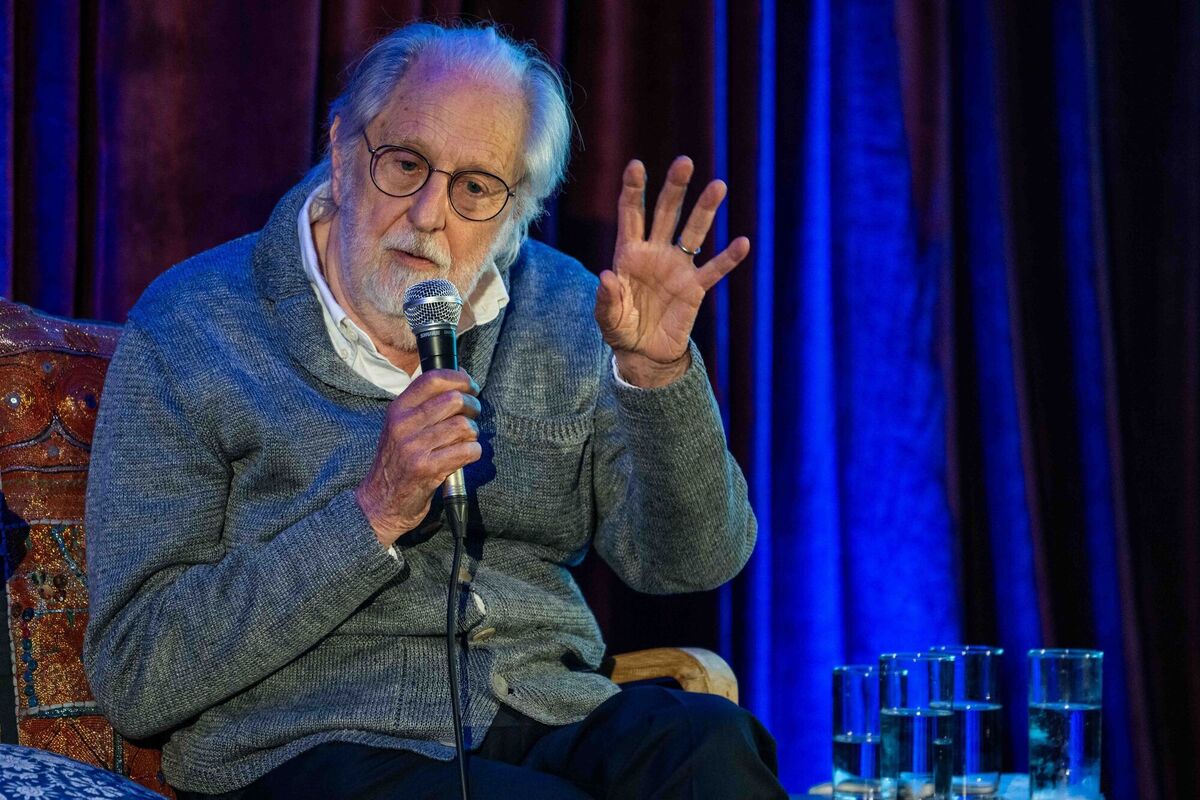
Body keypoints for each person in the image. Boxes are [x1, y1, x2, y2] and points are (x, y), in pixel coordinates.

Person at [82, 22, 785, 800]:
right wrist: (372, 512)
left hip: (539, 706)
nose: (427, 214)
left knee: (712, 750)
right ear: (344, 151)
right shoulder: (194, 324)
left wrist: (657, 377)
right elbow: (136, 668)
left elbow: (691, 561)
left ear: (521, 207)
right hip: (310, 743)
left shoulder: (569, 308)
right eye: (406, 163)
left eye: (475, 187)